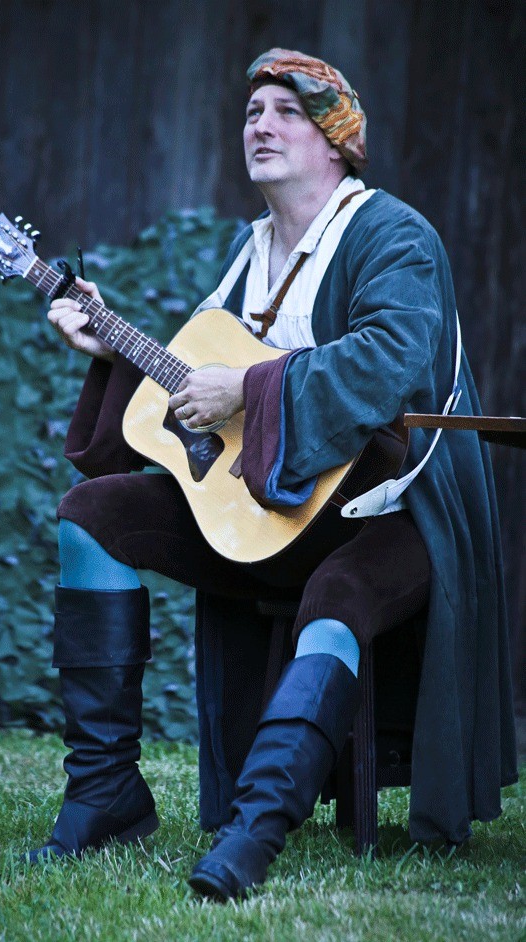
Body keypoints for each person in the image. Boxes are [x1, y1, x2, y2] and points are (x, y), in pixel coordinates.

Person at [28, 49, 517, 900]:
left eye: (287, 111)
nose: (261, 124)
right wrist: (113, 348)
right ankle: (104, 792)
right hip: (268, 508)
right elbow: (202, 381)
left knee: (339, 599)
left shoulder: (391, 233)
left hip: (393, 505)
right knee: (90, 513)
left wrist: (253, 386)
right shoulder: (245, 250)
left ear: (336, 141)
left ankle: (257, 828)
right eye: (253, 112)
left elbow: (395, 356)